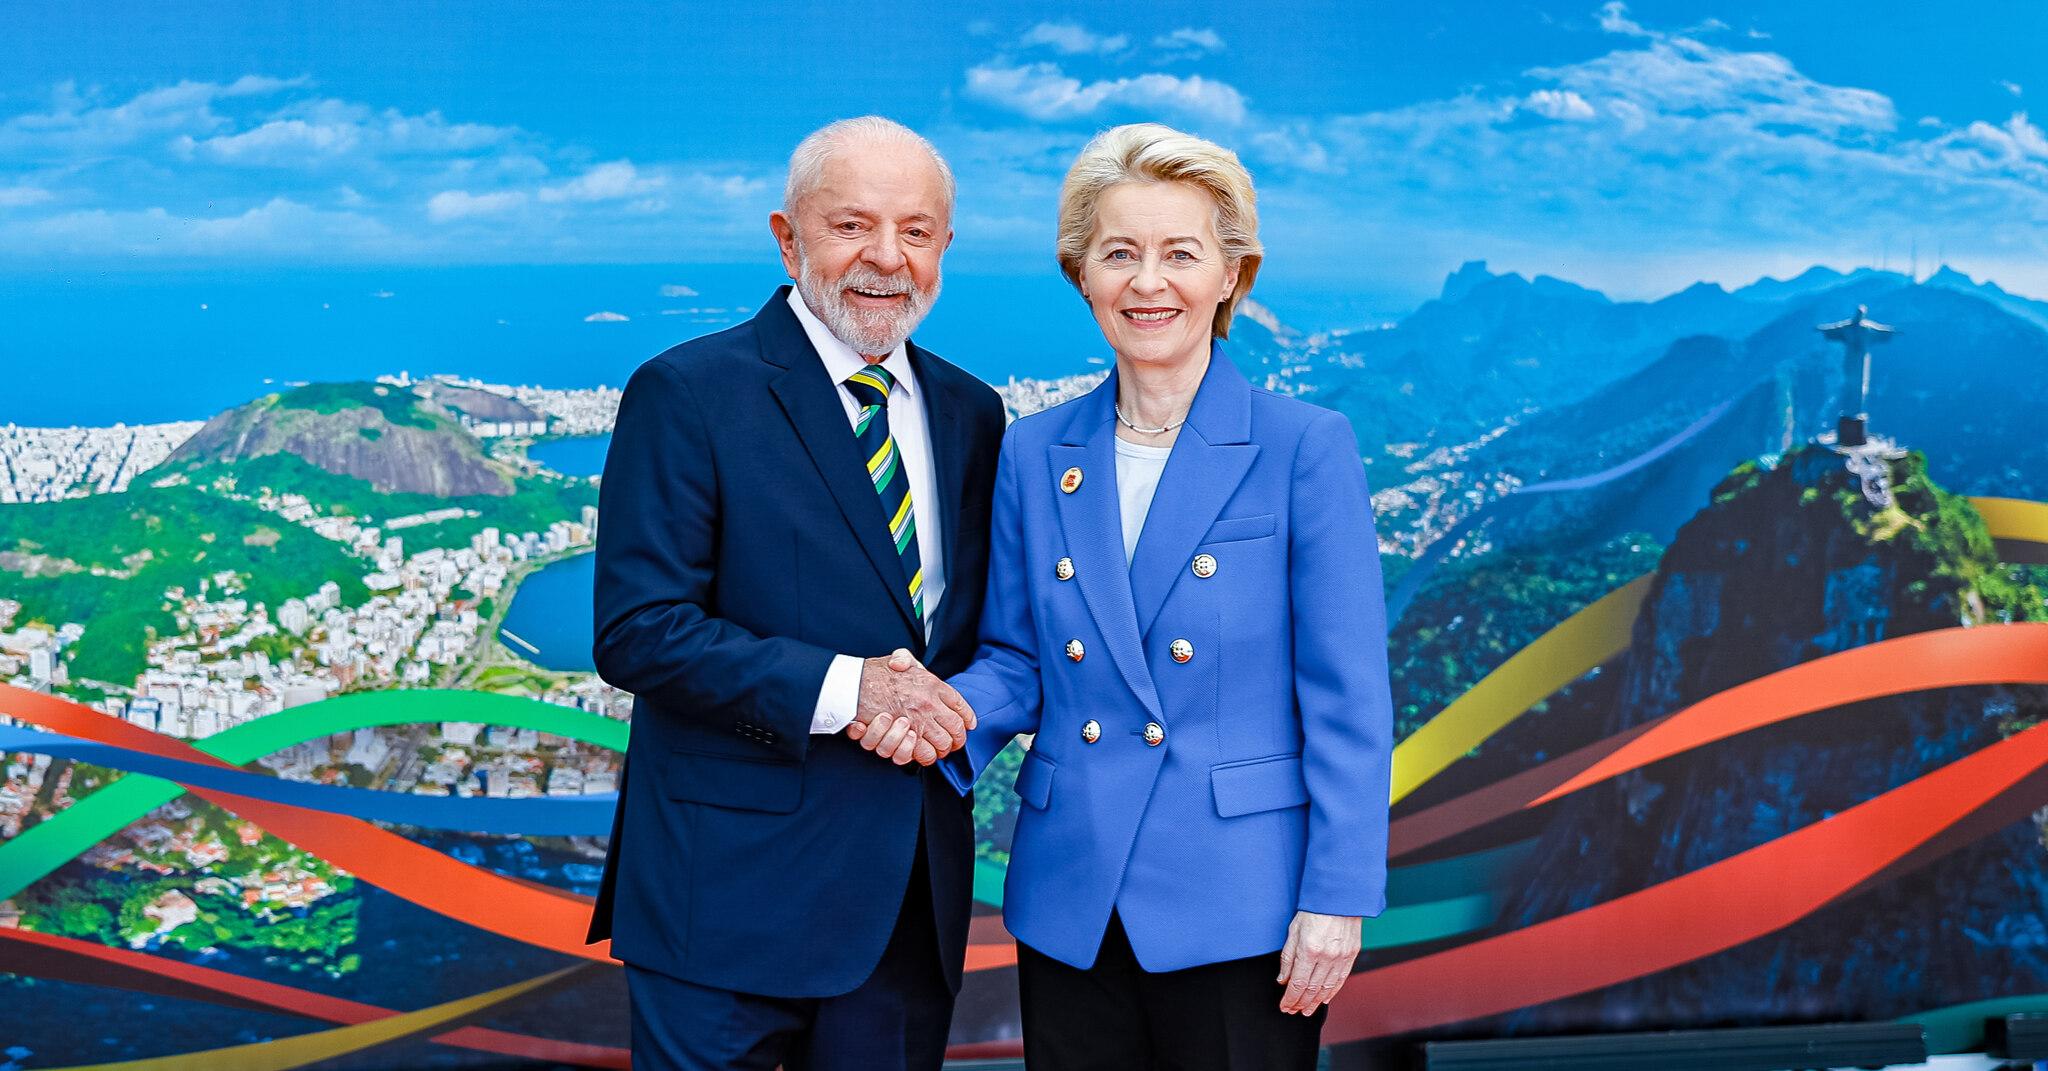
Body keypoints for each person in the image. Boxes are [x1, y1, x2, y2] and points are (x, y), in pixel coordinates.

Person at [856, 122, 1395, 1069]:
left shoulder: (1304, 446)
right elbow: (1019, 659)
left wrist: (1338, 895)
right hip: (1074, 894)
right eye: (1119, 254)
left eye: (1180, 254)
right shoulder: (1034, 449)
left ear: (1230, 276)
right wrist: (936, 712)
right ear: (1084, 276)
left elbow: (1348, 698)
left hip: (1247, 904)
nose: (1149, 283)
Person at [587, 116, 1007, 1070]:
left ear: (945, 247)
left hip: (904, 911)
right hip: (723, 908)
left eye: (915, 231)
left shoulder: (973, 412)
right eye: (851, 225)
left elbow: (971, 636)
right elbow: (637, 630)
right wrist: (848, 688)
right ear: (788, 237)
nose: (885, 259)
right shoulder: (687, 391)